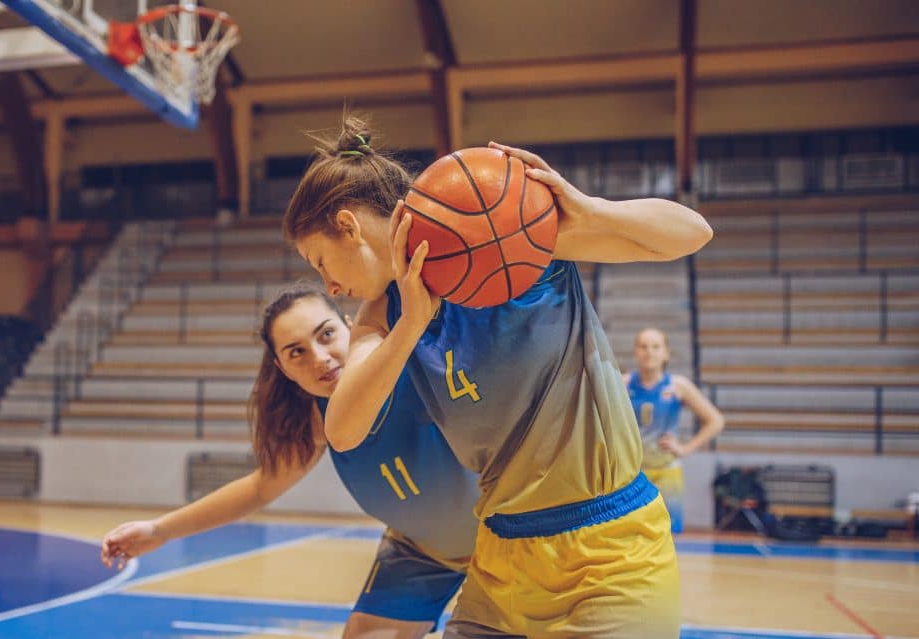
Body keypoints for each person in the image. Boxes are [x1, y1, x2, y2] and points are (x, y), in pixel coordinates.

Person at [283, 116, 714, 639]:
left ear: (349, 227)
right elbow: (344, 429)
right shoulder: (383, 314)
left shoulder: (505, 235)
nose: (328, 284)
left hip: (608, 553)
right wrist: (413, 322)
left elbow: (693, 233)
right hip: (500, 558)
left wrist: (586, 209)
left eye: (321, 261)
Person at [101, 285, 480, 639]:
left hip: (506, 533)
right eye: (296, 351)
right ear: (283, 367)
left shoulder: (415, 367)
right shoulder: (317, 422)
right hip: (421, 553)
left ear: (351, 326)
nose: (320, 357)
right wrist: (159, 530)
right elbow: (259, 488)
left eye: (326, 334)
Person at [624, 327, 725, 533]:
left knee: (666, 534)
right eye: (643, 346)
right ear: (635, 352)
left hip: (667, 473)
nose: (649, 352)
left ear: (666, 353)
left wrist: (685, 449)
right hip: (632, 474)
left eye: (655, 346)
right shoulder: (622, 383)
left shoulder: (678, 386)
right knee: (630, 534)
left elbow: (715, 420)